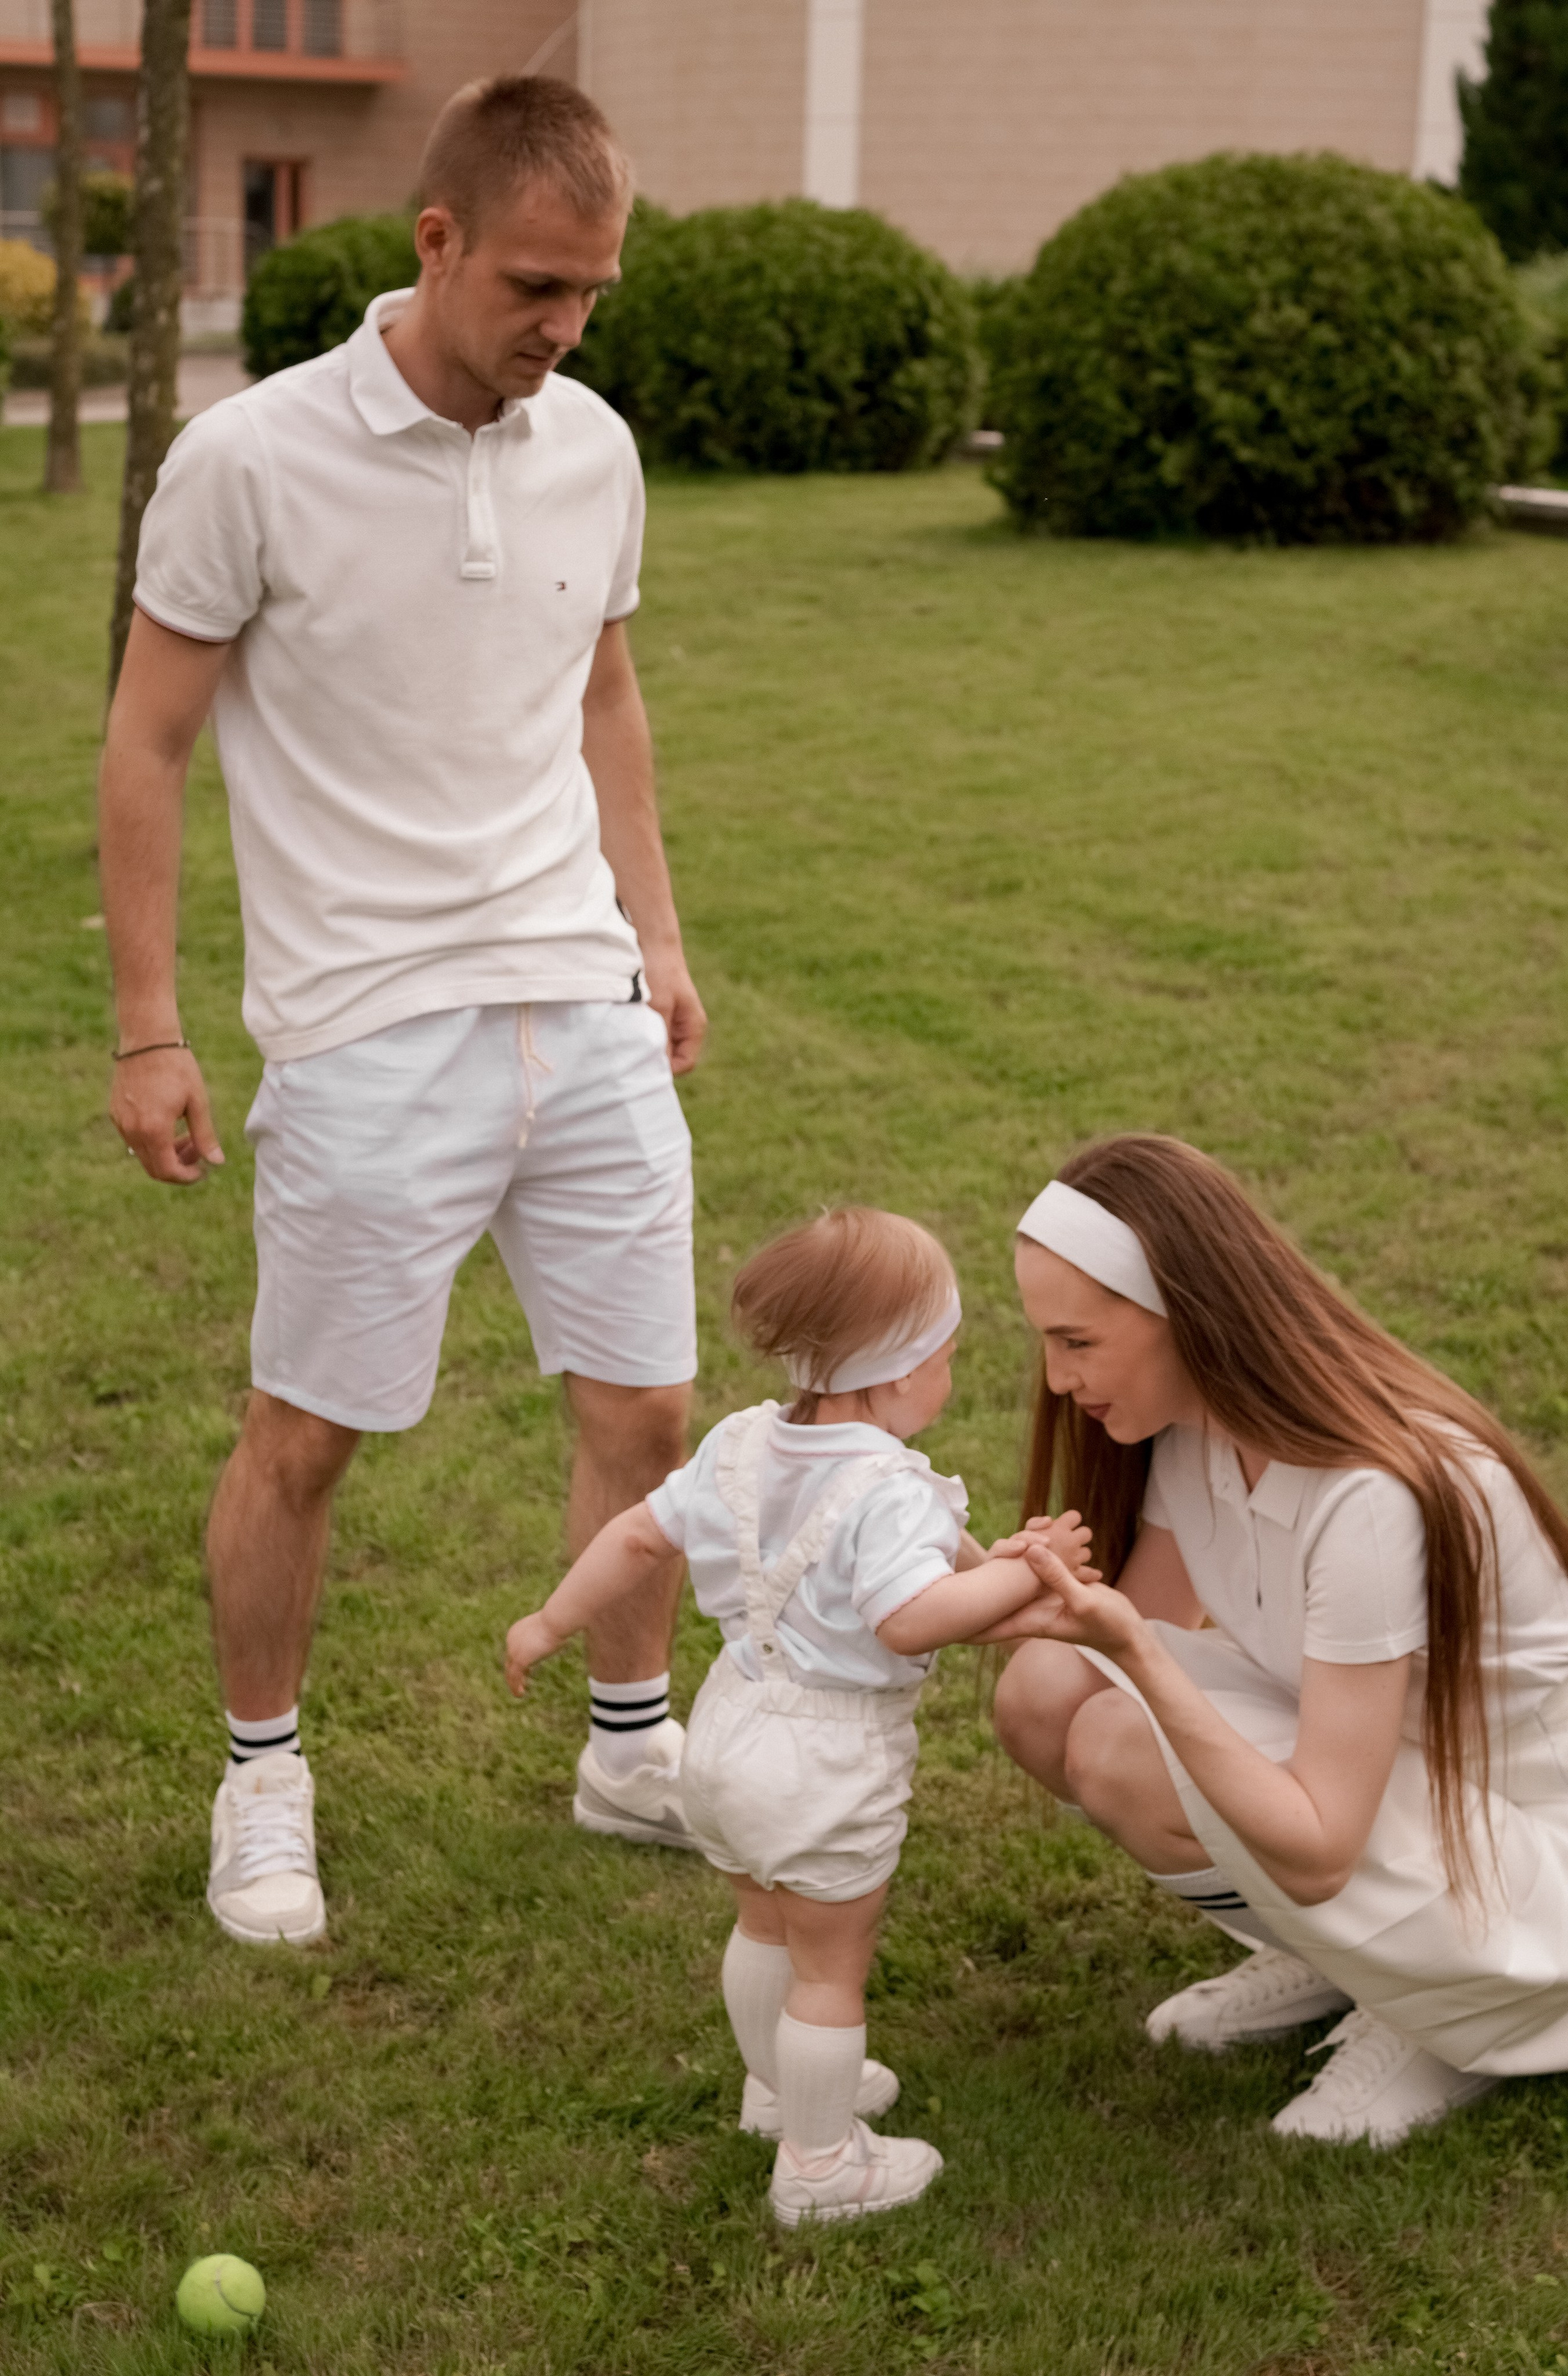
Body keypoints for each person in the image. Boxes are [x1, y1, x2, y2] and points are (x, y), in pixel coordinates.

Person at [97, 76, 708, 1949]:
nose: (564, 326)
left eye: (593, 291)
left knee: (652, 1405)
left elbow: (603, 697)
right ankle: (263, 1780)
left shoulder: (590, 444)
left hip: (580, 1000)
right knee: (307, 1433)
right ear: (431, 240)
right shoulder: (250, 459)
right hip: (367, 1031)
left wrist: (657, 939)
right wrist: (148, 1025)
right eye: (535, 283)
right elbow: (149, 737)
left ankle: (628, 1743)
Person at [504, 1207, 1095, 2223]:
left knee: (761, 1926)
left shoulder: (742, 1444)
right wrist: (1026, 1584)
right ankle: (821, 2167)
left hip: (727, 1730)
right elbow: (912, 1620)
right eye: (949, 1356)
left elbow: (640, 1538)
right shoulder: (893, 1489)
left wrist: (549, 1621)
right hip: (826, 1758)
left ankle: (777, 2092)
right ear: (905, 1373)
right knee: (830, 1965)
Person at [993, 1134, 1568, 2147]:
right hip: (1410, 1792)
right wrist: (968, 1592)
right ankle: (1357, 1961)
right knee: (1046, 1693)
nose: (1054, 1379)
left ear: (1186, 1312)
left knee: (1126, 1746)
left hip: (1543, 1874)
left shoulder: (1369, 1495)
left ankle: (1439, 2009)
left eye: (1078, 1342)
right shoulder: (1194, 1434)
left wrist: (1129, 1652)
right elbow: (1107, 1648)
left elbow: (1313, 1851)